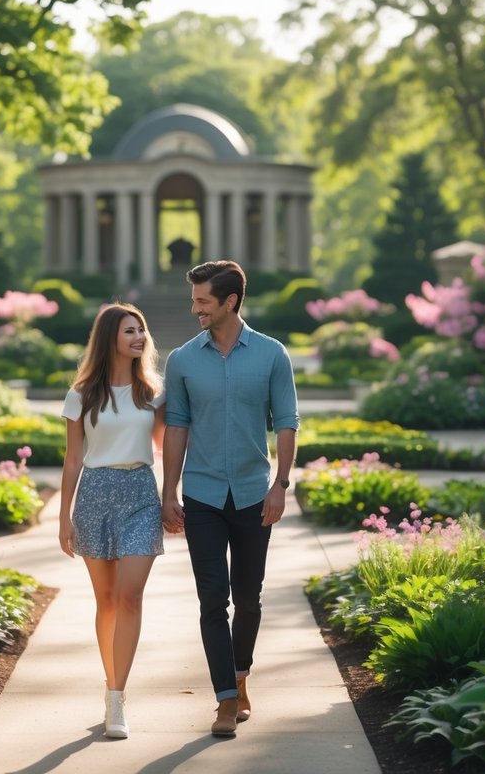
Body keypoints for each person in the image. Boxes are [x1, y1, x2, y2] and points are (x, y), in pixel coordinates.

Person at [160, 260, 299, 737]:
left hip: (252, 496)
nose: (194, 308)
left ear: (230, 301)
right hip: (200, 496)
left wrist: (280, 485)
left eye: (202, 301)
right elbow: (175, 427)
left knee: (249, 599)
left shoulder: (271, 354)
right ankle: (223, 699)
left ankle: (241, 678)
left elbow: (286, 422)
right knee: (211, 601)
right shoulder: (182, 360)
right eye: (194, 299)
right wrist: (168, 491)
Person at [58, 302, 166, 740]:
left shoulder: (153, 393)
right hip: (94, 497)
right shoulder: (81, 395)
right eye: (129, 331)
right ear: (110, 339)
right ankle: (111, 686)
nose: (139, 338)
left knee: (130, 597)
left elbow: (167, 445)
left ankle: (118, 698)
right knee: (106, 599)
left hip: (141, 493)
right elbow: (72, 459)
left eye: (141, 330)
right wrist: (64, 518)